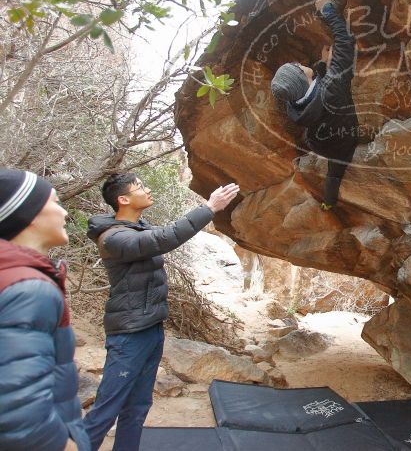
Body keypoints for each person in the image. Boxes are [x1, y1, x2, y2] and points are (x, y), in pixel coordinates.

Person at [81, 173, 239, 451]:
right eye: (140, 186)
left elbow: (159, 237)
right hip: (129, 335)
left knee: (138, 406)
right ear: (123, 199)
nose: (148, 188)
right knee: (106, 409)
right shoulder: (113, 238)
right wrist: (209, 208)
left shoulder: (136, 227)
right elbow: (165, 238)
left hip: (150, 328)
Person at [0, 168, 91, 451]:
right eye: (55, 202)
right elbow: (16, 413)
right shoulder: (29, 289)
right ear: (30, 214)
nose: (64, 212)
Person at [271, 0, 358, 211]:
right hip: (344, 141)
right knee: (337, 170)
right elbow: (346, 42)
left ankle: (328, 204)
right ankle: (330, 202)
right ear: (302, 78)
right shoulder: (333, 85)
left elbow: (318, 90)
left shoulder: (293, 107)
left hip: (321, 144)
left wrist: (324, 66)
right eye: (298, 67)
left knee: (333, 172)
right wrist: (326, 9)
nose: (300, 64)